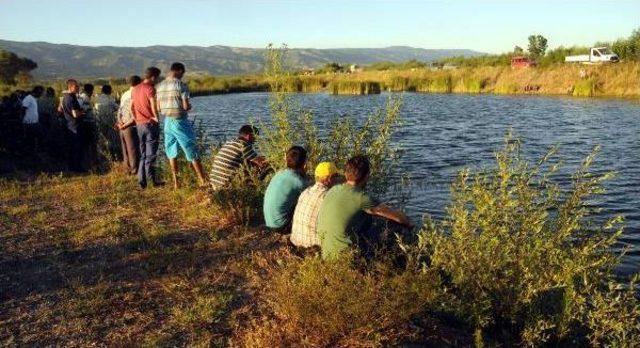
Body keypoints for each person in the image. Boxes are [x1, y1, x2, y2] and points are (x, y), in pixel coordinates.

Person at [316, 155, 413, 260]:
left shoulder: (333, 189)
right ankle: (401, 263)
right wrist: (408, 223)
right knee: (397, 227)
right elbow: (400, 218)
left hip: (327, 255)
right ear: (367, 176)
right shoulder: (362, 198)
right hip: (346, 259)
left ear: (345, 173)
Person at [156, 62, 207, 189]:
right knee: (191, 149)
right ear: (179, 71)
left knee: (171, 151)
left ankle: (176, 183)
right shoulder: (181, 85)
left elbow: (158, 107)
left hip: (167, 121)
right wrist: (188, 106)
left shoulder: (160, 86)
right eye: (182, 73)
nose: (182, 76)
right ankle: (202, 180)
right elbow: (185, 106)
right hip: (180, 121)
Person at [290, 161, 339, 248]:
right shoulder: (328, 196)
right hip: (313, 246)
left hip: (295, 241)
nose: (337, 179)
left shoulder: (306, 191)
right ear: (329, 178)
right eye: (336, 176)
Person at [263, 146, 309, 232]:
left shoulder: (279, 173)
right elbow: (312, 195)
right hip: (282, 226)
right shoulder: (299, 182)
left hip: (269, 222)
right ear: (304, 163)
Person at [209, 124, 267, 191]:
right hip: (225, 186)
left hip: (214, 183)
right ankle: (257, 189)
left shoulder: (230, 142)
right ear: (249, 136)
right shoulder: (243, 145)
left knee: (249, 162)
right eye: (255, 136)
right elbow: (261, 162)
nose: (256, 140)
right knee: (265, 165)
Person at [131, 67, 162, 188]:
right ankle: (153, 181)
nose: (158, 80)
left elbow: (131, 107)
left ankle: (141, 181)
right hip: (150, 124)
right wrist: (156, 118)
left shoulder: (135, 89)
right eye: (157, 77)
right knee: (151, 154)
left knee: (143, 154)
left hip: (139, 124)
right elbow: (153, 105)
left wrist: (136, 118)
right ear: (153, 77)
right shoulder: (150, 88)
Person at [116, 76, 141, 175]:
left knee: (125, 149)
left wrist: (120, 122)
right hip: (130, 125)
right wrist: (126, 124)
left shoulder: (125, 94)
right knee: (133, 149)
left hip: (122, 125)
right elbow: (135, 113)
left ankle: (127, 170)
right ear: (139, 83)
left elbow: (120, 110)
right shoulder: (136, 94)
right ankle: (135, 170)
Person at [60, 79, 85, 172]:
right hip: (75, 126)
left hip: (69, 125)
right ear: (70, 87)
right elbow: (75, 114)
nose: (78, 88)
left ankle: (71, 167)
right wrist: (82, 112)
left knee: (71, 147)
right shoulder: (72, 98)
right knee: (77, 147)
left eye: (78, 86)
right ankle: (77, 168)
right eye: (76, 86)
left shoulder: (65, 97)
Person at [94, 84, 121, 161]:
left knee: (105, 140)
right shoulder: (110, 99)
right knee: (113, 141)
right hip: (110, 123)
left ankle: (106, 157)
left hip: (100, 123)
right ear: (109, 91)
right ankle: (115, 157)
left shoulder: (97, 99)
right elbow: (118, 108)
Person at [21, 85, 44, 153]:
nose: (41, 95)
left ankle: (33, 152)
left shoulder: (34, 99)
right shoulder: (28, 98)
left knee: (37, 137)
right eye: (40, 93)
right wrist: (23, 121)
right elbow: (23, 109)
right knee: (30, 139)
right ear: (37, 92)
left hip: (35, 123)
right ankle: (29, 154)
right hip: (29, 123)